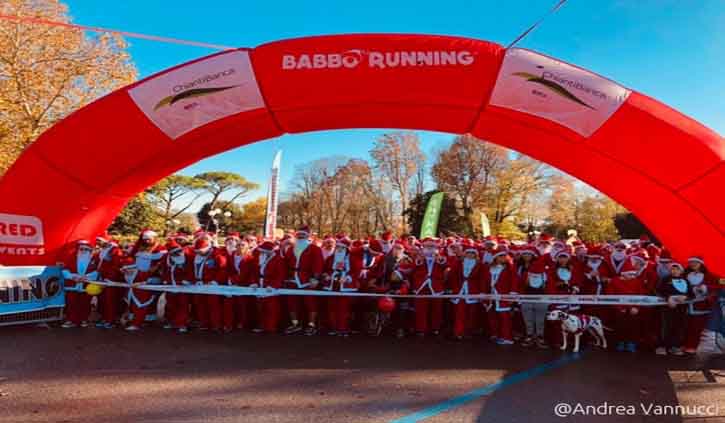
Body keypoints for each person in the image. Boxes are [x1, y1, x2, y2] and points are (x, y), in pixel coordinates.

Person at [283, 225, 324, 336]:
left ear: (308, 236)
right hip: (292, 279)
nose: (300, 236)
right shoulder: (291, 248)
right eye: (299, 234)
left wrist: (315, 278)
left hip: (307, 278)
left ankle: (311, 325)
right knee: (292, 302)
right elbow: (285, 263)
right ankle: (295, 324)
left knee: (310, 302)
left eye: (303, 234)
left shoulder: (315, 249)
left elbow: (318, 264)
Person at [606, 259, 648, 352]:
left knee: (633, 325)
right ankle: (620, 342)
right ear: (624, 273)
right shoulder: (614, 281)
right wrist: (619, 308)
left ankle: (631, 343)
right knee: (620, 325)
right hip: (619, 308)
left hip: (633, 308)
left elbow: (641, 295)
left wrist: (637, 307)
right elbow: (610, 296)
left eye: (633, 274)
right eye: (630, 274)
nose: (632, 276)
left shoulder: (637, 281)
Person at [246, 241, 285, 334]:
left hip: (270, 287)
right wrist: (253, 282)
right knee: (260, 307)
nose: (262, 253)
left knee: (271, 308)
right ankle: (261, 325)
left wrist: (273, 286)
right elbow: (254, 272)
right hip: (260, 285)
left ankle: (271, 327)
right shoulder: (260, 258)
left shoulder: (278, 259)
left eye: (264, 251)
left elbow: (280, 275)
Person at [191, 237, 228, 333]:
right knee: (200, 305)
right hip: (199, 283)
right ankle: (204, 323)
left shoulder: (218, 255)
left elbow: (223, 270)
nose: (199, 253)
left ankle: (216, 325)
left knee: (213, 306)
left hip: (212, 285)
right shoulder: (197, 256)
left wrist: (215, 281)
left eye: (200, 251)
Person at [411, 237, 447, 337]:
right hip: (421, 286)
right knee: (421, 309)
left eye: (431, 246)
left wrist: (438, 258)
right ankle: (420, 329)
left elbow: (445, 266)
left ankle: (435, 328)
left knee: (436, 309)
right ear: (423, 247)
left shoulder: (441, 257)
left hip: (436, 287)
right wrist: (420, 259)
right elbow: (413, 268)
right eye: (427, 246)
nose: (429, 248)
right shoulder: (418, 257)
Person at [322, 238, 358, 336]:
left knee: (344, 309)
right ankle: (333, 328)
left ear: (346, 248)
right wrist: (326, 275)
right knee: (331, 308)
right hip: (331, 286)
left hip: (346, 287)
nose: (339, 249)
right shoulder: (330, 258)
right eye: (337, 247)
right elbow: (325, 269)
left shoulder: (352, 259)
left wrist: (348, 278)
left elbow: (356, 272)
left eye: (342, 247)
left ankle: (343, 328)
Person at [482, 249, 518, 345]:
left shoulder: (510, 268)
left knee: (505, 317)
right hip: (491, 296)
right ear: (495, 258)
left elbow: (514, 282)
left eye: (504, 256)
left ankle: (507, 337)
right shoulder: (489, 268)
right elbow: (485, 282)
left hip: (503, 296)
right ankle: (496, 334)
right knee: (492, 316)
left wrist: (512, 295)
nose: (503, 258)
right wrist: (484, 294)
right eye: (500, 256)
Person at [61, 240, 99, 328]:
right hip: (72, 284)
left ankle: (84, 320)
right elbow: (65, 269)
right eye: (81, 249)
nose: (83, 251)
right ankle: (70, 320)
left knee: (85, 303)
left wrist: (86, 277)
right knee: (71, 303)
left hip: (86, 285)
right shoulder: (71, 257)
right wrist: (72, 277)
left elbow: (97, 271)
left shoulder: (94, 259)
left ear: (89, 250)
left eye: (86, 249)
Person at [683, 256, 716, 354]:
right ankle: (687, 345)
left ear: (701, 264)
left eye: (695, 263)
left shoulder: (708, 275)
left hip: (701, 306)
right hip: (687, 304)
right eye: (691, 262)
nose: (693, 264)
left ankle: (693, 346)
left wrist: (704, 288)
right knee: (688, 325)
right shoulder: (687, 275)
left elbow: (714, 287)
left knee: (697, 326)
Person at [449, 244, 482, 340]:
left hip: (473, 291)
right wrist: (452, 288)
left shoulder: (480, 265)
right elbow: (452, 276)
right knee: (459, 313)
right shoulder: (458, 263)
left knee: (471, 314)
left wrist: (481, 291)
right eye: (468, 253)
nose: (470, 255)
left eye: (472, 253)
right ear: (465, 254)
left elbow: (482, 279)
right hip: (460, 291)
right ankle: (458, 332)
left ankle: (468, 332)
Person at [655, 262, 688, 356]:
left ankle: (675, 347)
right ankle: (662, 346)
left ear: (681, 270)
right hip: (667, 307)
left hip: (681, 307)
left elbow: (690, 293)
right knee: (665, 326)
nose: (675, 271)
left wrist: (685, 297)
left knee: (679, 326)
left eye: (677, 269)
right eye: (673, 269)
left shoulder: (685, 280)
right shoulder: (665, 279)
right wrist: (668, 298)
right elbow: (658, 291)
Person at [161, 241, 193, 333]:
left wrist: (188, 280)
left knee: (183, 305)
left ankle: (182, 324)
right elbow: (164, 270)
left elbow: (191, 271)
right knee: (170, 304)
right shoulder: (166, 258)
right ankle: (171, 322)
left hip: (183, 286)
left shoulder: (188, 257)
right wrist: (165, 280)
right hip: (170, 285)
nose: (178, 253)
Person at [94, 233, 123, 329]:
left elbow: (116, 266)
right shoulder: (103, 250)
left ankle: (111, 320)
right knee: (102, 301)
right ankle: (105, 318)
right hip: (101, 279)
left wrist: (109, 279)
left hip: (110, 280)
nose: (97, 242)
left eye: (99, 241)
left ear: (105, 241)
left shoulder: (115, 250)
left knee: (110, 301)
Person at [519, 259, 548, 348]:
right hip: (527, 300)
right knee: (528, 320)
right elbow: (520, 286)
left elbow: (550, 288)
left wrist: (549, 300)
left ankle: (540, 337)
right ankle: (529, 336)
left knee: (540, 321)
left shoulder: (545, 275)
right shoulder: (525, 275)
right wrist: (519, 299)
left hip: (541, 300)